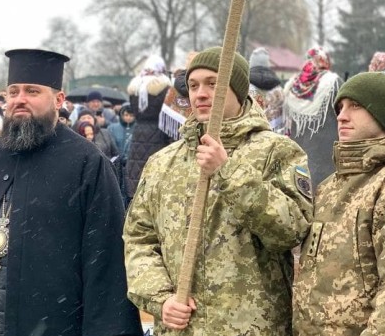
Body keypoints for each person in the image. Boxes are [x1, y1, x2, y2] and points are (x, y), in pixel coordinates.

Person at [0, 48, 142, 336]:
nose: (19, 99)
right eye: (13, 92)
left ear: (59, 99)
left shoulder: (87, 163)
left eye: (32, 91)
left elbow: (106, 263)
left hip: (53, 325)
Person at [124, 47, 312, 334]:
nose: (200, 93)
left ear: (237, 89)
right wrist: (161, 299)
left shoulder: (277, 151)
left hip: (251, 327)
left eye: (213, 83)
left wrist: (228, 171)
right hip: (181, 328)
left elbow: (291, 231)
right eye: (194, 85)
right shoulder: (162, 163)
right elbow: (139, 239)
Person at [293, 72, 385, 335]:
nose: (341, 115)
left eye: (356, 106)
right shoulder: (332, 185)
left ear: (384, 113)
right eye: (340, 107)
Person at [283, 46, 341, 189]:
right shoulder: (333, 82)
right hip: (325, 156)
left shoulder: (292, 85)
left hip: (297, 156)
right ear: (325, 60)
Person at [125, 55, 174, 199]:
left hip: (138, 132)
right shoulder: (165, 86)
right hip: (158, 132)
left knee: (137, 174)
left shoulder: (135, 87)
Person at [248, 47, 285, 133]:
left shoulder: (245, 86)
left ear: (251, 63)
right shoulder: (278, 89)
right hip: (274, 136)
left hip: (250, 135)